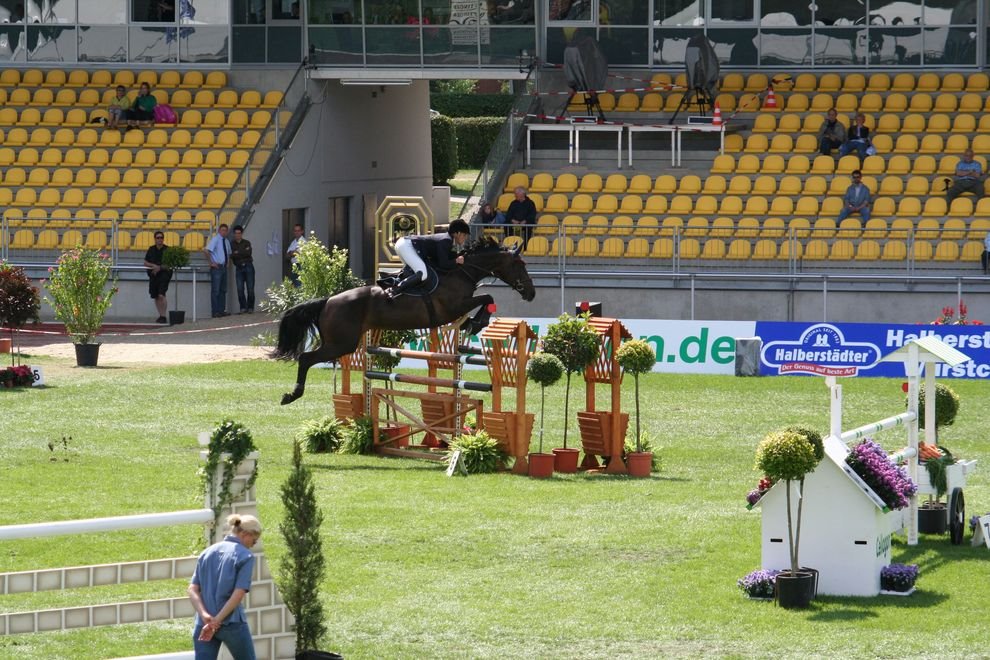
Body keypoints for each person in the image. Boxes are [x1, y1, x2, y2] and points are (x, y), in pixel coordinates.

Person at [188, 514, 262, 660]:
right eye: (254, 540)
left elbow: (192, 589)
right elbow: (239, 593)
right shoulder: (245, 556)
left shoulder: (206, 553)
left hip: (204, 623)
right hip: (231, 623)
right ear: (244, 534)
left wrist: (205, 616)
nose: (254, 543)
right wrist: (217, 620)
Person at [386, 219, 471, 299]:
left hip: (404, 244)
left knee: (412, 273)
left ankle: (388, 278)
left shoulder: (448, 240)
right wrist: (456, 261)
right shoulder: (446, 240)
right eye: (464, 235)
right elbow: (443, 264)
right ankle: (394, 290)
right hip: (407, 245)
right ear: (458, 233)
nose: (465, 238)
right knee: (422, 274)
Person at [143, 231, 172, 324]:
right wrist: (154, 266)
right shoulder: (151, 249)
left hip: (164, 275)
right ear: (155, 239)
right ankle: (161, 315)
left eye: (161, 238)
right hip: (153, 275)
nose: (160, 239)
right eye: (158, 238)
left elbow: (170, 264)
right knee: (155, 296)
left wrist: (159, 268)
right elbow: (145, 262)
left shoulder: (167, 249)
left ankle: (163, 315)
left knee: (161, 294)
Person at [204, 223, 231, 318]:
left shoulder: (226, 241)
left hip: (223, 267)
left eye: (225, 230)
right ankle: (215, 311)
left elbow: (228, 253)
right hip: (217, 267)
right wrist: (211, 262)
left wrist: (227, 262)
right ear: (219, 230)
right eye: (222, 230)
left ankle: (221, 310)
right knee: (216, 290)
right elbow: (206, 250)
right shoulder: (216, 239)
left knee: (223, 290)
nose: (224, 232)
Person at [230, 225, 255, 314]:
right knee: (240, 289)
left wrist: (237, 253)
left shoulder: (247, 242)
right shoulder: (231, 244)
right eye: (236, 233)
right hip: (239, 267)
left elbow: (248, 253)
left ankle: (250, 307)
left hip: (248, 266)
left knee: (250, 289)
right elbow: (232, 255)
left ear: (241, 233)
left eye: (239, 233)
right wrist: (241, 252)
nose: (237, 235)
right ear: (234, 234)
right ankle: (243, 307)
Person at [285, 223, 305, 287]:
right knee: (294, 285)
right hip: (293, 266)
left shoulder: (303, 242)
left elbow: (296, 253)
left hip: (300, 265)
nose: (296, 232)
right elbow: (287, 255)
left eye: (298, 231)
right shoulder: (293, 242)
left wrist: (292, 253)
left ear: (302, 231)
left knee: (299, 285)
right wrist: (292, 253)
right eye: (295, 231)